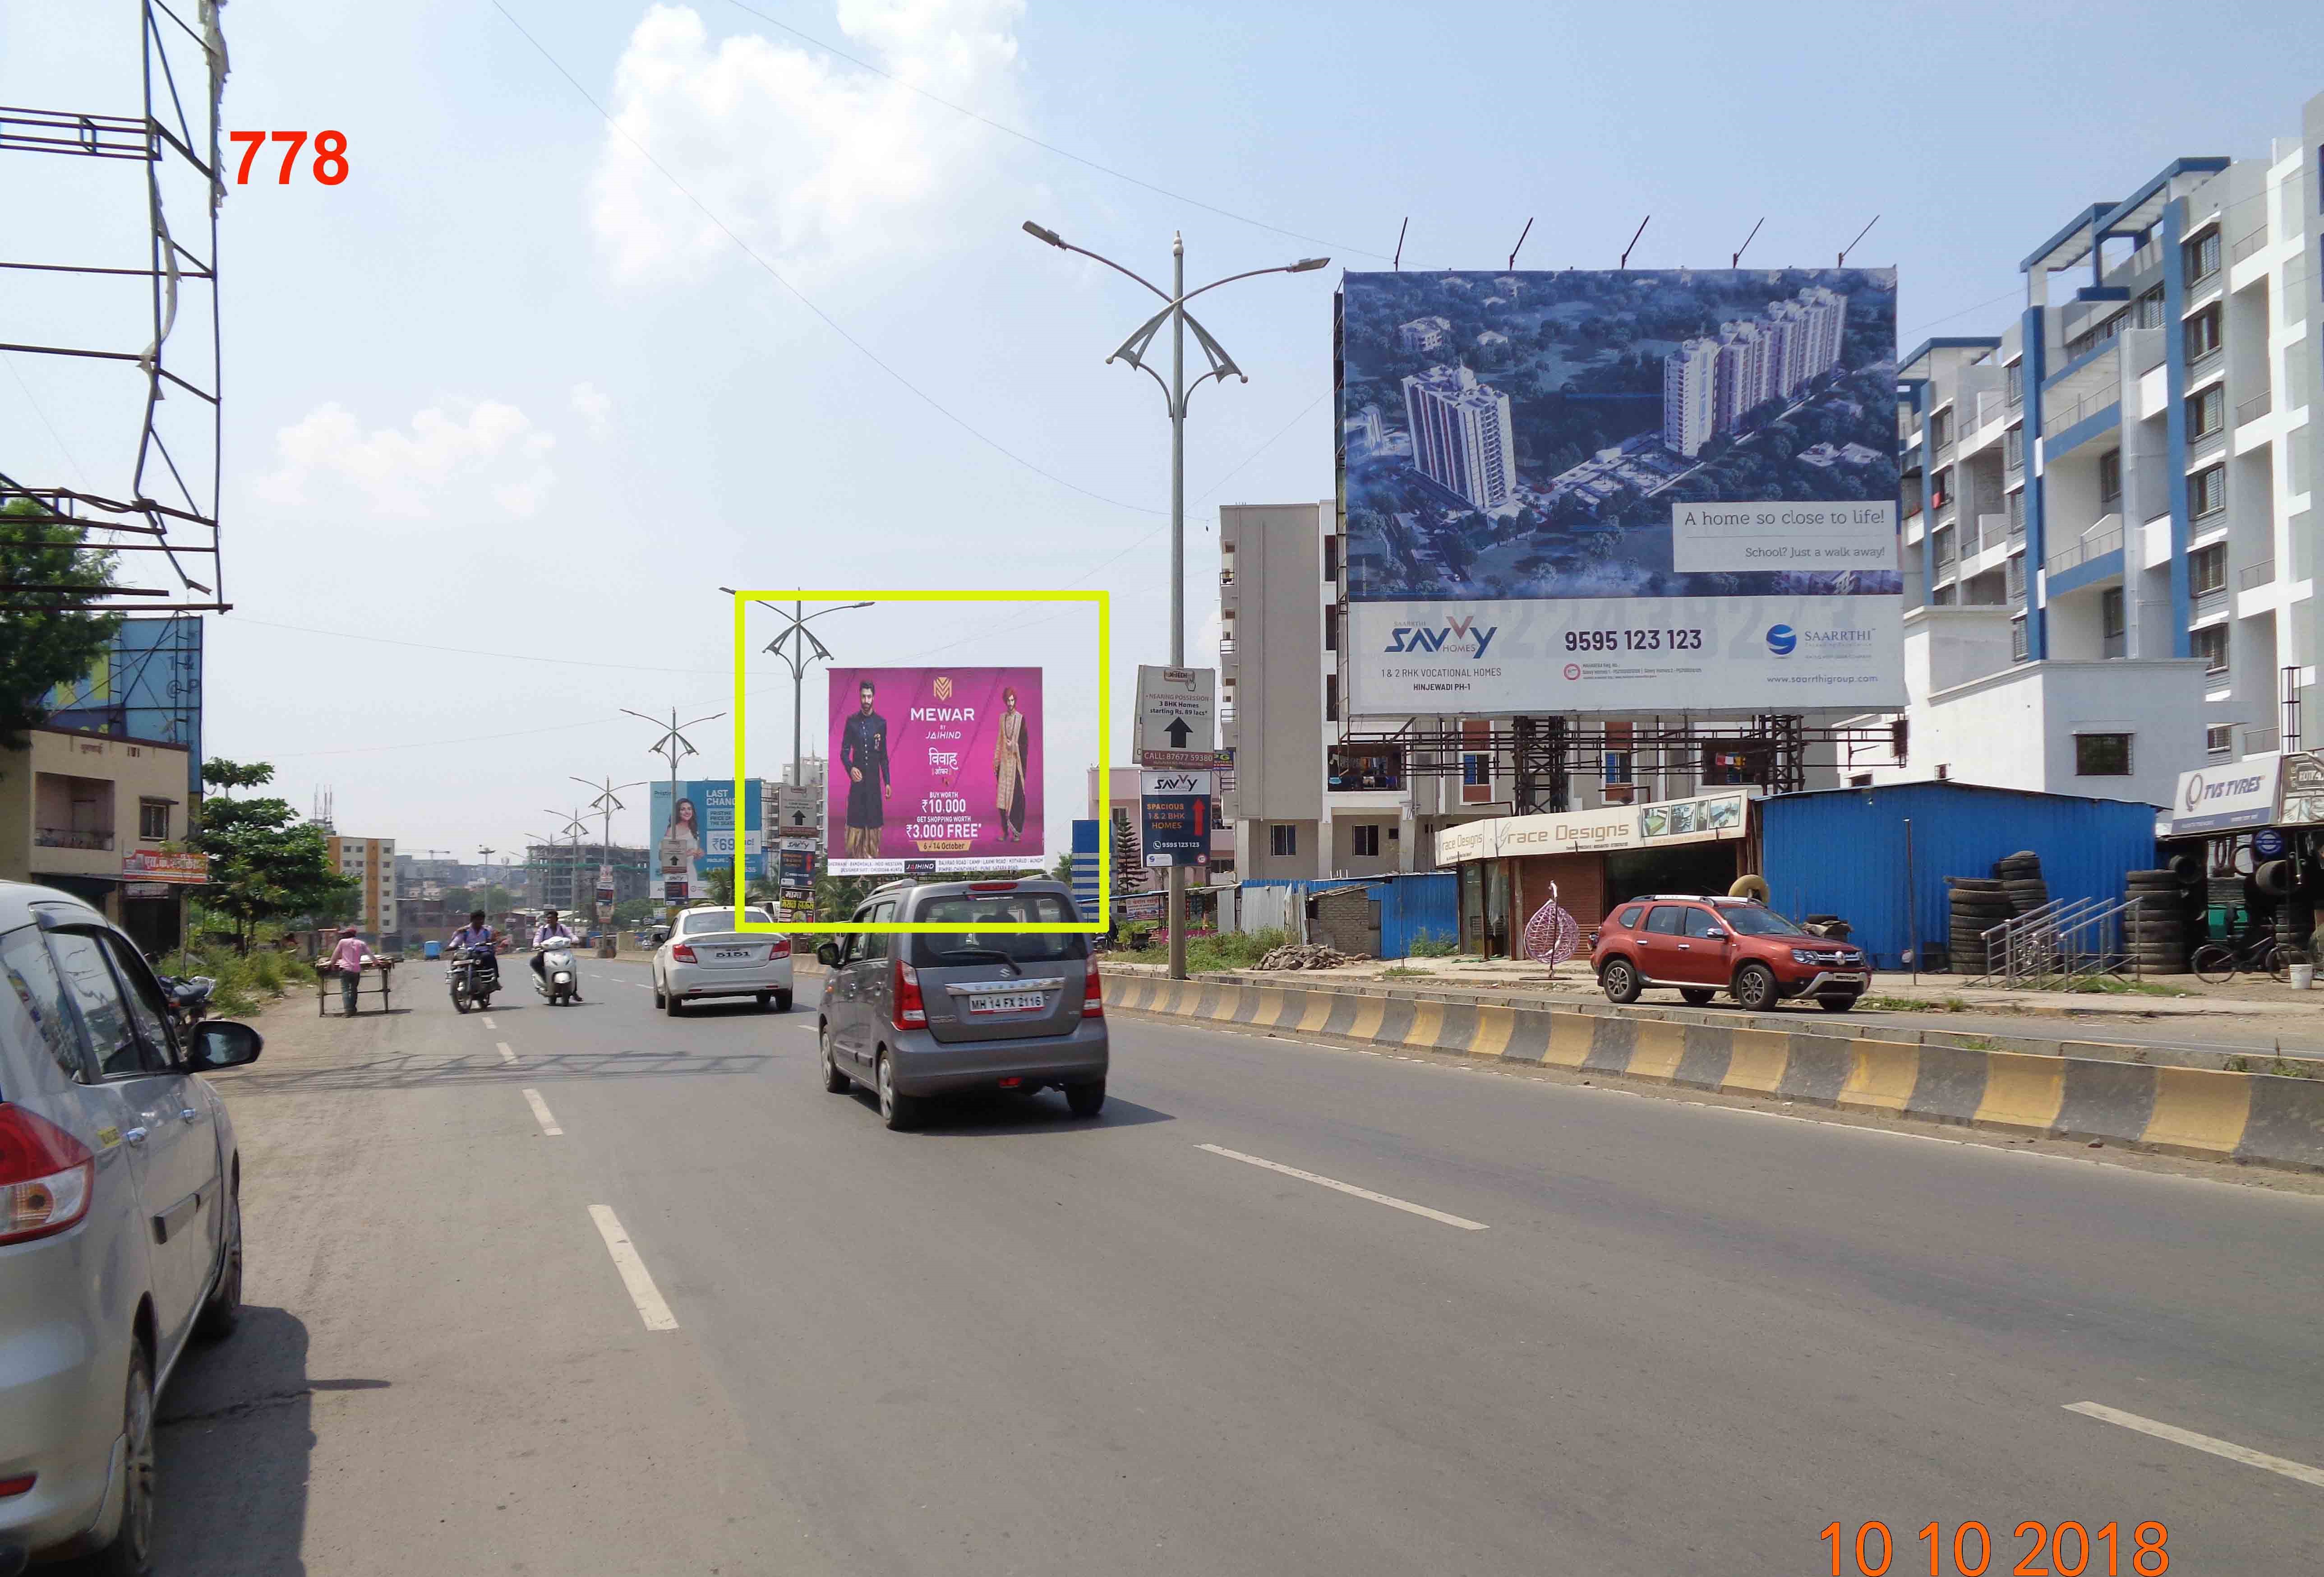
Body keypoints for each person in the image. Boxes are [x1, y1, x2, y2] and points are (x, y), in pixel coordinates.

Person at [839, 678, 890, 860]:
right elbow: (843, 753)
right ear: (859, 698)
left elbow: (883, 756)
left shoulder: (881, 723)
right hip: (858, 783)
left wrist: (888, 782)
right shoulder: (851, 722)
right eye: (863, 697)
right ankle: (855, 859)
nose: (866, 701)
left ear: (874, 698)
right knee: (856, 821)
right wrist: (851, 769)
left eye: (869, 697)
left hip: (875, 783)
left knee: (874, 823)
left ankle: (872, 858)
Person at [993, 684, 1030, 843]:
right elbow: (1000, 740)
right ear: (1005, 701)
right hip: (1004, 765)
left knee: (1016, 799)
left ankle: (1016, 833)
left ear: (1015, 701)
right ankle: (1005, 832)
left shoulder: (1021, 719)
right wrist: (996, 759)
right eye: (1008, 700)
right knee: (1002, 800)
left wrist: (1014, 747)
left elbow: (1025, 743)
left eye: (1012, 700)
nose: (1010, 703)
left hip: (1016, 763)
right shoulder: (1002, 718)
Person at [325, 924, 376, 1015]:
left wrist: (332, 965)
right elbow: (371, 955)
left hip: (345, 969)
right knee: (354, 990)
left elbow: (335, 955)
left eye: (344, 934)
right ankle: (352, 1009)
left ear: (348, 935)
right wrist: (376, 963)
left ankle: (348, 1011)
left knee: (345, 990)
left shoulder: (342, 942)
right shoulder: (361, 943)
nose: (343, 935)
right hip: (356, 970)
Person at [531, 909, 580, 999]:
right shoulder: (543, 929)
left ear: (557, 919)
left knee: (572, 966)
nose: (549, 920)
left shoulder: (562, 928)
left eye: (552, 918)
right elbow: (537, 940)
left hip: (563, 952)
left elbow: (571, 935)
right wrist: (537, 945)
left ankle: (574, 992)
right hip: (547, 952)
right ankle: (546, 979)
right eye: (548, 918)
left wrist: (575, 941)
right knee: (534, 962)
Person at [448, 909, 499, 985]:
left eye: (482, 920)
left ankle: (495, 980)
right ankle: (455, 974)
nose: (480, 922)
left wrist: (491, 941)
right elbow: (456, 940)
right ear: (472, 920)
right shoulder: (465, 931)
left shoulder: (487, 930)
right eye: (478, 919)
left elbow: (491, 939)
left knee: (490, 957)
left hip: (483, 952)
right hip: (469, 953)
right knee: (457, 957)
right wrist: (451, 946)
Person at [659, 797, 701, 876]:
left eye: (689, 809)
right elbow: (663, 857)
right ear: (678, 812)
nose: (687, 812)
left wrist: (698, 855)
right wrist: (688, 853)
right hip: (676, 875)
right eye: (683, 809)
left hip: (691, 873)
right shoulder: (673, 831)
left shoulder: (694, 830)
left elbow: (692, 858)